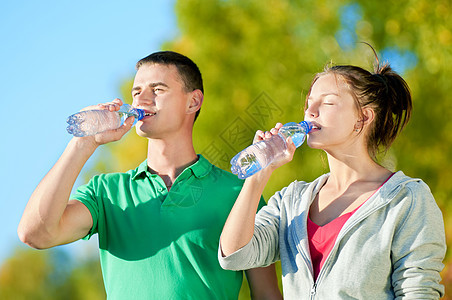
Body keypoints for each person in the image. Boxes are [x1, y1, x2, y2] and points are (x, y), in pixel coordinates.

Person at [18, 51, 282, 299]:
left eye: (157, 90)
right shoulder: (106, 192)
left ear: (193, 101)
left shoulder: (239, 192)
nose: (141, 100)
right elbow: (36, 234)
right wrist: (82, 144)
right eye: (137, 91)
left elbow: (266, 294)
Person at [219, 51, 446, 298]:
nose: (311, 111)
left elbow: (419, 292)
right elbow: (234, 255)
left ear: (363, 117)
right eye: (309, 103)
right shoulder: (291, 201)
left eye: (327, 102)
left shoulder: (406, 199)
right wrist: (257, 178)